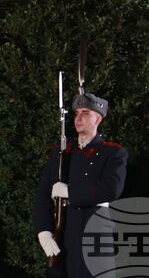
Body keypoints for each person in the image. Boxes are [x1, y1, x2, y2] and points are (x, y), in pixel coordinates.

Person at [33, 92, 128, 278]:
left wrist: (70, 192)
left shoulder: (113, 153)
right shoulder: (61, 153)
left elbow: (111, 189)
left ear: (98, 119)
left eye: (85, 112)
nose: (79, 118)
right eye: (76, 113)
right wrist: (43, 231)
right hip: (63, 237)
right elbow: (43, 195)